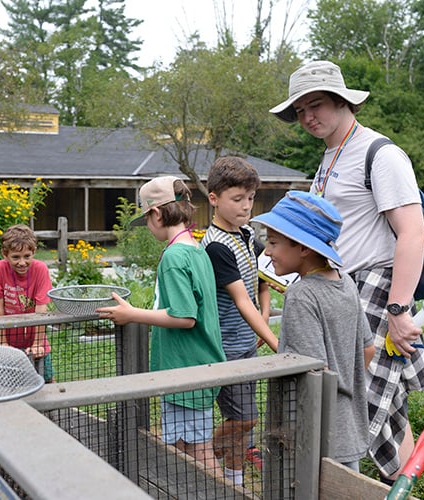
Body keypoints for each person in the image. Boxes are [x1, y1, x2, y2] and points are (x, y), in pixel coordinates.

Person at [269, 60, 424, 482]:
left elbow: (411, 232)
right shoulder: (330, 157)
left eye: (316, 105)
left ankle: (391, 490)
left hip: (378, 291)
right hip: (340, 290)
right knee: (385, 407)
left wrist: (398, 309)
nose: (308, 117)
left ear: (343, 101)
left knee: (366, 407)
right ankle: (398, 489)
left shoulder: (381, 153)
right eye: (300, 110)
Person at [97, 176, 227, 476]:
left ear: (156, 213)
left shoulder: (173, 256)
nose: (149, 228)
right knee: (186, 451)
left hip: (185, 370)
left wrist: (132, 314)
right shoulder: (196, 250)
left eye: (147, 220)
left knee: (198, 455)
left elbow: (184, 316)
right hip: (198, 367)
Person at [252, 191, 375, 471]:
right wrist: (344, 387)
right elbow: (368, 349)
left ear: (304, 248)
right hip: (344, 428)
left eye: (273, 243)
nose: (267, 252)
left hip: (310, 436)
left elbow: (310, 375)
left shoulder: (302, 295)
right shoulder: (346, 284)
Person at [200, 156, 279, 484]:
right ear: (214, 199)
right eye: (237, 199)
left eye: (250, 198)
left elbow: (264, 279)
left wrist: (265, 312)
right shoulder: (217, 246)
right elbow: (240, 300)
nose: (246, 206)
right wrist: (277, 342)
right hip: (226, 347)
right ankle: (203, 448)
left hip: (247, 342)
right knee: (245, 418)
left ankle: (234, 479)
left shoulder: (247, 235)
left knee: (242, 419)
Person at [0, 224, 55, 382]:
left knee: (48, 380)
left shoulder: (41, 269)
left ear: (34, 252)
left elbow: (41, 309)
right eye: (16, 257)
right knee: (0, 382)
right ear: (5, 254)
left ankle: (54, 406)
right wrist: (2, 343)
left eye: (27, 256)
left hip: (35, 335)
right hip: (5, 335)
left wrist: (37, 344)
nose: (22, 262)